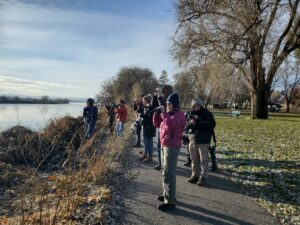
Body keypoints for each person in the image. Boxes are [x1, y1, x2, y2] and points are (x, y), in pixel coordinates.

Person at [153, 93, 185, 211]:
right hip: (164, 145)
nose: (167, 105)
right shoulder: (168, 115)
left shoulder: (179, 115)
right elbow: (157, 124)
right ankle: (166, 194)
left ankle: (170, 202)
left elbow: (171, 124)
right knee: (164, 171)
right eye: (166, 104)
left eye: (169, 104)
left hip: (172, 146)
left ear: (175, 104)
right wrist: (156, 114)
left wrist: (164, 113)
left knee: (169, 173)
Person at [186, 98, 216, 186]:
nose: (196, 108)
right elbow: (186, 126)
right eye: (194, 106)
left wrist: (198, 122)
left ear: (201, 105)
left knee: (204, 160)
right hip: (192, 139)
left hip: (203, 140)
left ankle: (203, 177)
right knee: (194, 159)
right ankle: (195, 175)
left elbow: (212, 125)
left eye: (198, 106)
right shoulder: (190, 113)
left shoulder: (207, 114)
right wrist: (189, 124)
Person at [152, 85, 173, 171]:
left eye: (163, 90)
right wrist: (155, 96)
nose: (163, 92)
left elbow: (164, 106)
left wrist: (160, 97)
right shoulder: (162, 98)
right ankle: (161, 164)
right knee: (159, 146)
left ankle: (166, 166)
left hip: (167, 126)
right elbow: (155, 106)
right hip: (161, 125)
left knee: (166, 147)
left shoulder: (170, 100)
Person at [139, 94, 156, 162]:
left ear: (147, 101)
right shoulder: (144, 107)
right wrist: (141, 115)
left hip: (150, 127)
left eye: (144, 101)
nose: (143, 103)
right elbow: (140, 110)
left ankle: (150, 157)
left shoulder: (151, 108)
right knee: (145, 141)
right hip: (146, 127)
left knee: (149, 142)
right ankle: (145, 154)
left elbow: (150, 118)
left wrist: (143, 117)